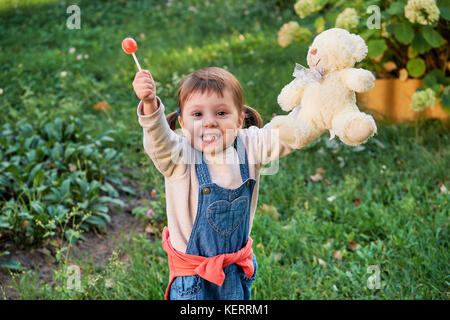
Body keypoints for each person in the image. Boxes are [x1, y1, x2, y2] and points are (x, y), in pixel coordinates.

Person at [133, 67, 315, 300]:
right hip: (193, 279)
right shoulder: (178, 157)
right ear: (182, 121)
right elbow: (157, 140)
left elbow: (288, 133)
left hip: (235, 271)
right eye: (197, 115)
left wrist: (317, 99)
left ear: (239, 119)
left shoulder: (250, 147)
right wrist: (150, 104)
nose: (209, 123)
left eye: (221, 113)